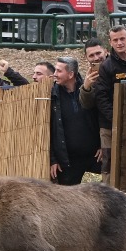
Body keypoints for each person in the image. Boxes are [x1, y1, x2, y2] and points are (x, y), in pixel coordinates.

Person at [81, 26, 126, 176]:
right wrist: (116, 119)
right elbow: (100, 98)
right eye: (115, 40)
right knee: (109, 168)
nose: (119, 43)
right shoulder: (106, 67)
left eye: (122, 39)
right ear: (110, 43)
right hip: (109, 124)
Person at [48, 57, 103, 185]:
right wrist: (53, 159)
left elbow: (100, 116)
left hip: (94, 154)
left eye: (59, 71)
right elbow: (49, 130)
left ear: (71, 74)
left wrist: (103, 145)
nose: (54, 74)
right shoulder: (52, 95)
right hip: (68, 159)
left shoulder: (88, 89)